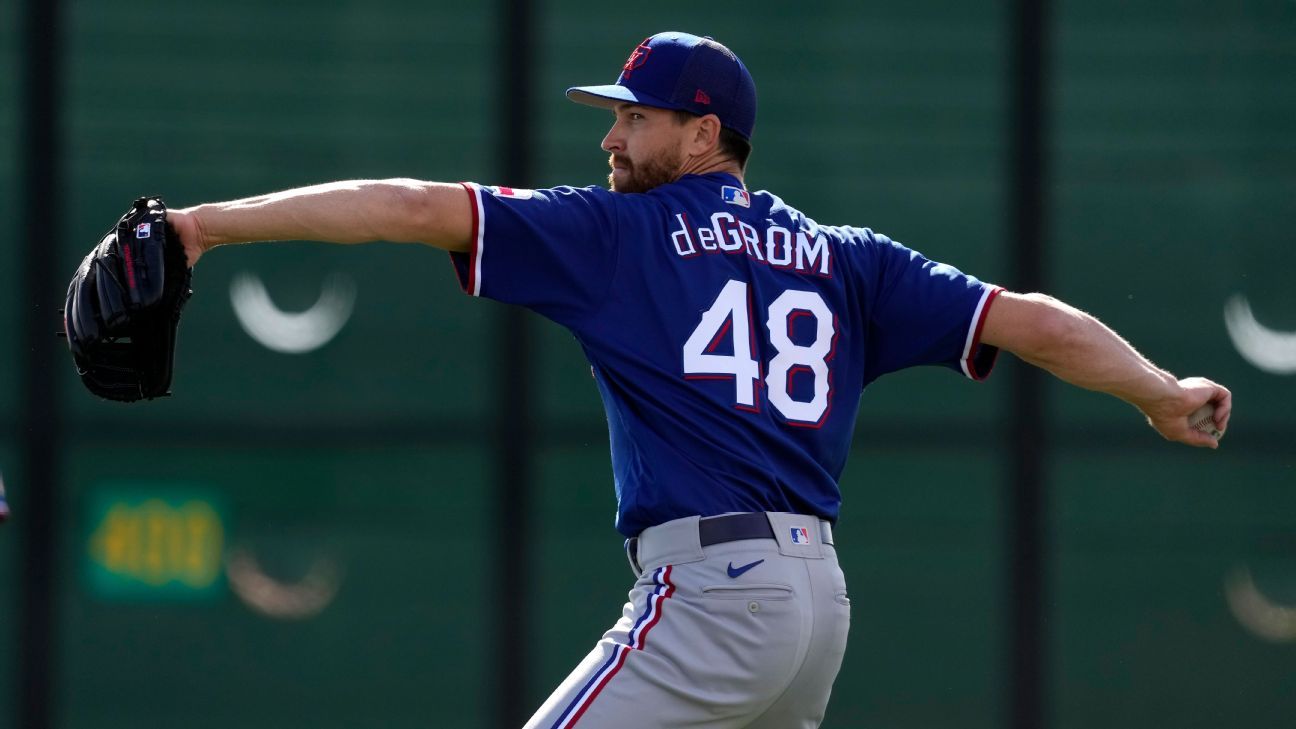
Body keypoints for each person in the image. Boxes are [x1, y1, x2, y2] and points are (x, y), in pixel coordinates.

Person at [166, 31, 1230, 729]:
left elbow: (408, 207)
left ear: (703, 131)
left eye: (634, 116)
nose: (610, 134)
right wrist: (1156, 390)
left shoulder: (618, 233)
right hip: (816, 604)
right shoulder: (849, 258)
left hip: (713, 593)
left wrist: (206, 226)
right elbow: (1027, 319)